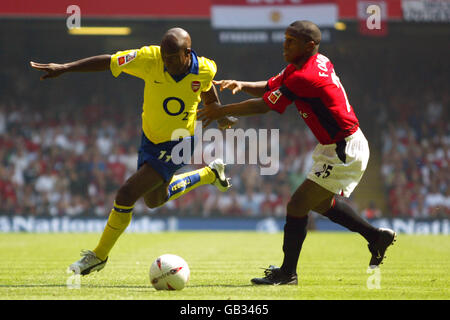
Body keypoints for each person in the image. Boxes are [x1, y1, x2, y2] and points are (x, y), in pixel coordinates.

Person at [198, 21, 396, 285]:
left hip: (344, 147)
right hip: (336, 144)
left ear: (309, 45)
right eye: (285, 39)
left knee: (297, 204)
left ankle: (288, 273)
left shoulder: (306, 77)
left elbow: (265, 106)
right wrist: (241, 83)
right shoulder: (304, 65)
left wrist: (220, 111)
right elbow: (271, 86)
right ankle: (375, 236)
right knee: (319, 203)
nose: (285, 45)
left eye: (291, 41)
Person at [31, 27, 236, 275]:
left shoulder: (205, 68)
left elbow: (207, 89)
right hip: (150, 140)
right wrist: (65, 67)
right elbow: (109, 61)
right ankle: (209, 175)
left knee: (127, 193)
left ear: (187, 54)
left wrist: (218, 111)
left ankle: (98, 256)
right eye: (164, 56)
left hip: (179, 142)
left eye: (172, 58)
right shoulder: (149, 59)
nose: (166, 62)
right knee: (154, 200)